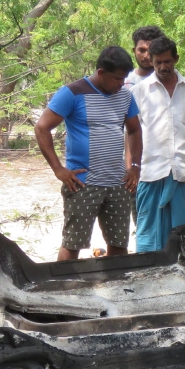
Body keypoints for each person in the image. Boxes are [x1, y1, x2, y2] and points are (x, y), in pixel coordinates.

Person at [35, 46, 142, 261]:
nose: (121, 84)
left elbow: (134, 130)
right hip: (83, 184)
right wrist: (58, 169)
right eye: (117, 78)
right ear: (101, 72)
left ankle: (117, 290)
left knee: (119, 246)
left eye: (124, 79)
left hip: (118, 183)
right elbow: (42, 127)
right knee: (72, 245)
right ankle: (64, 291)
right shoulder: (72, 93)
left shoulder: (125, 96)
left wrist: (135, 167)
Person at [131, 36, 185, 252]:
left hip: (181, 172)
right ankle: (146, 274)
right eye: (158, 63)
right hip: (150, 171)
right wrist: (132, 167)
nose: (163, 67)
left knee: (180, 233)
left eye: (167, 62)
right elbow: (132, 134)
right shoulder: (140, 91)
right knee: (147, 231)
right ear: (151, 62)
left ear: (176, 59)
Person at [124, 25, 166, 90]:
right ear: (134, 51)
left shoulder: (169, 82)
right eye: (142, 50)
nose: (146, 56)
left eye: (151, 51)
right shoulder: (123, 81)